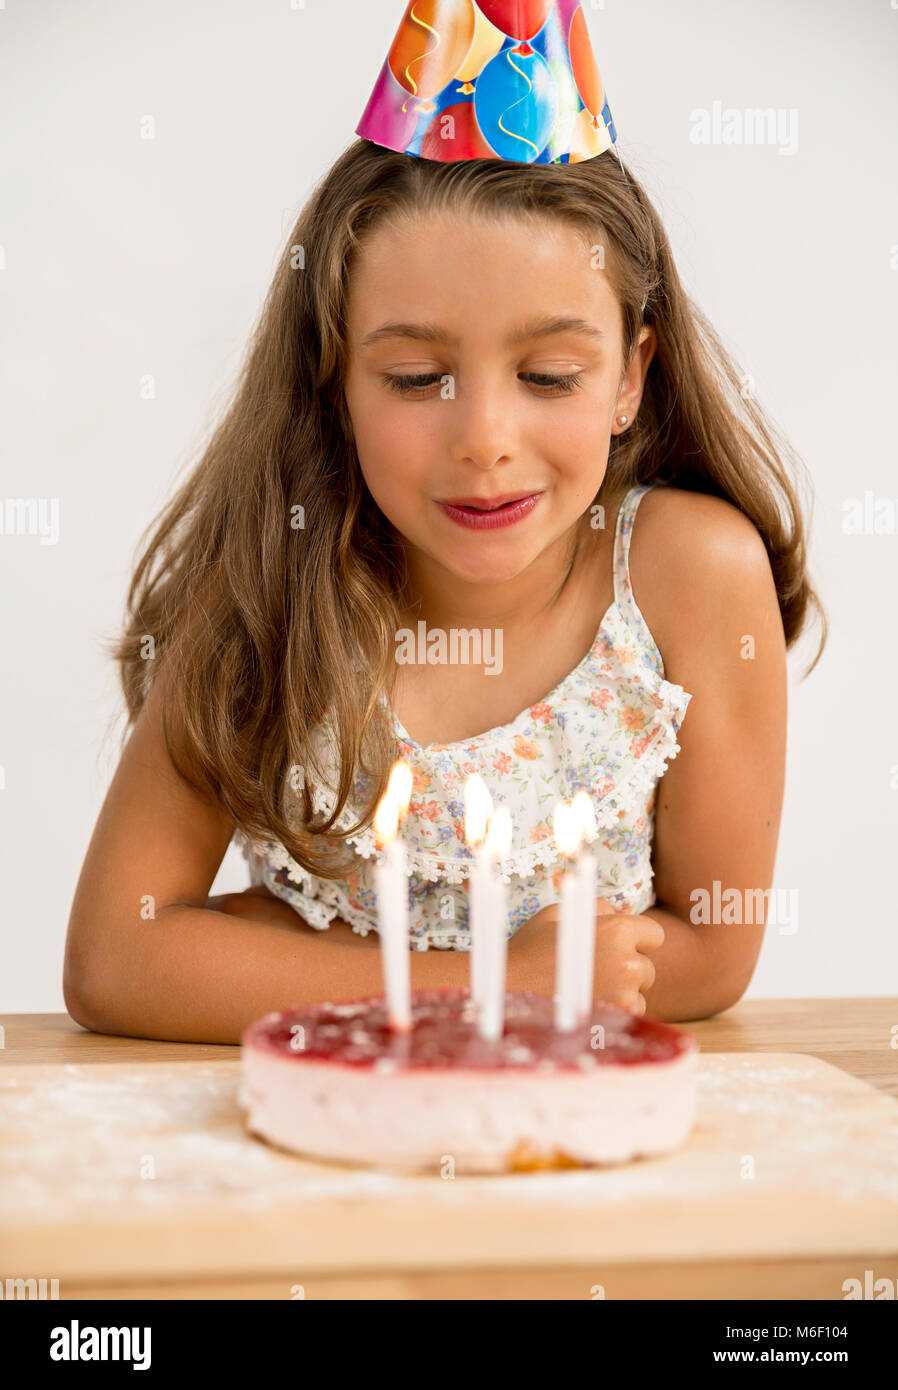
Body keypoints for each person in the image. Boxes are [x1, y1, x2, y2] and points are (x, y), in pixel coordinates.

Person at [63, 4, 825, 1044]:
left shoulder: (689, 577)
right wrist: (492, 982)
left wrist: (295, 957)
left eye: (550, 374)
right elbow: (118, 958)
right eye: (416, 377)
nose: (484, 438)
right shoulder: (265, 588)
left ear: (630, 377)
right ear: (332, 378)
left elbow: (709, 947)